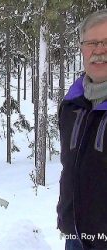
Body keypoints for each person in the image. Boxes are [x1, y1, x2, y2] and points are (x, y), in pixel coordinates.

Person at [57, 9, 107, 250]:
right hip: (76, 236)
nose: (99, 50)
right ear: (82, 49)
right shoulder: (71, 105)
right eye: (92, 43)